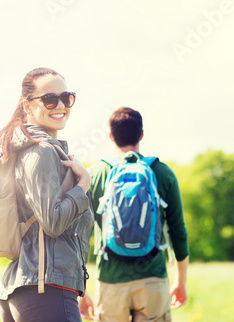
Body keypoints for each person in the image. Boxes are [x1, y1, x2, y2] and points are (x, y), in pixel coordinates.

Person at [0, 67, 94, 322]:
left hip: (30, 288)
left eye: (67, 97)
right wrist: (84, 183)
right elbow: (53, 222)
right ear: (27, 105)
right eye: (49, 98)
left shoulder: (30, 149)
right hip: (45, 290)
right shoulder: (42, 151)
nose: (60, 105)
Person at [79, 107, 189, 321]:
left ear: (111, 136)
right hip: (153, 279)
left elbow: (80, 236)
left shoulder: (94, 174)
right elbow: (178, 230)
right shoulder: (162, 172)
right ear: (141, 134)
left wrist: (80, 290)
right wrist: (181, 280)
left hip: (110, 280)